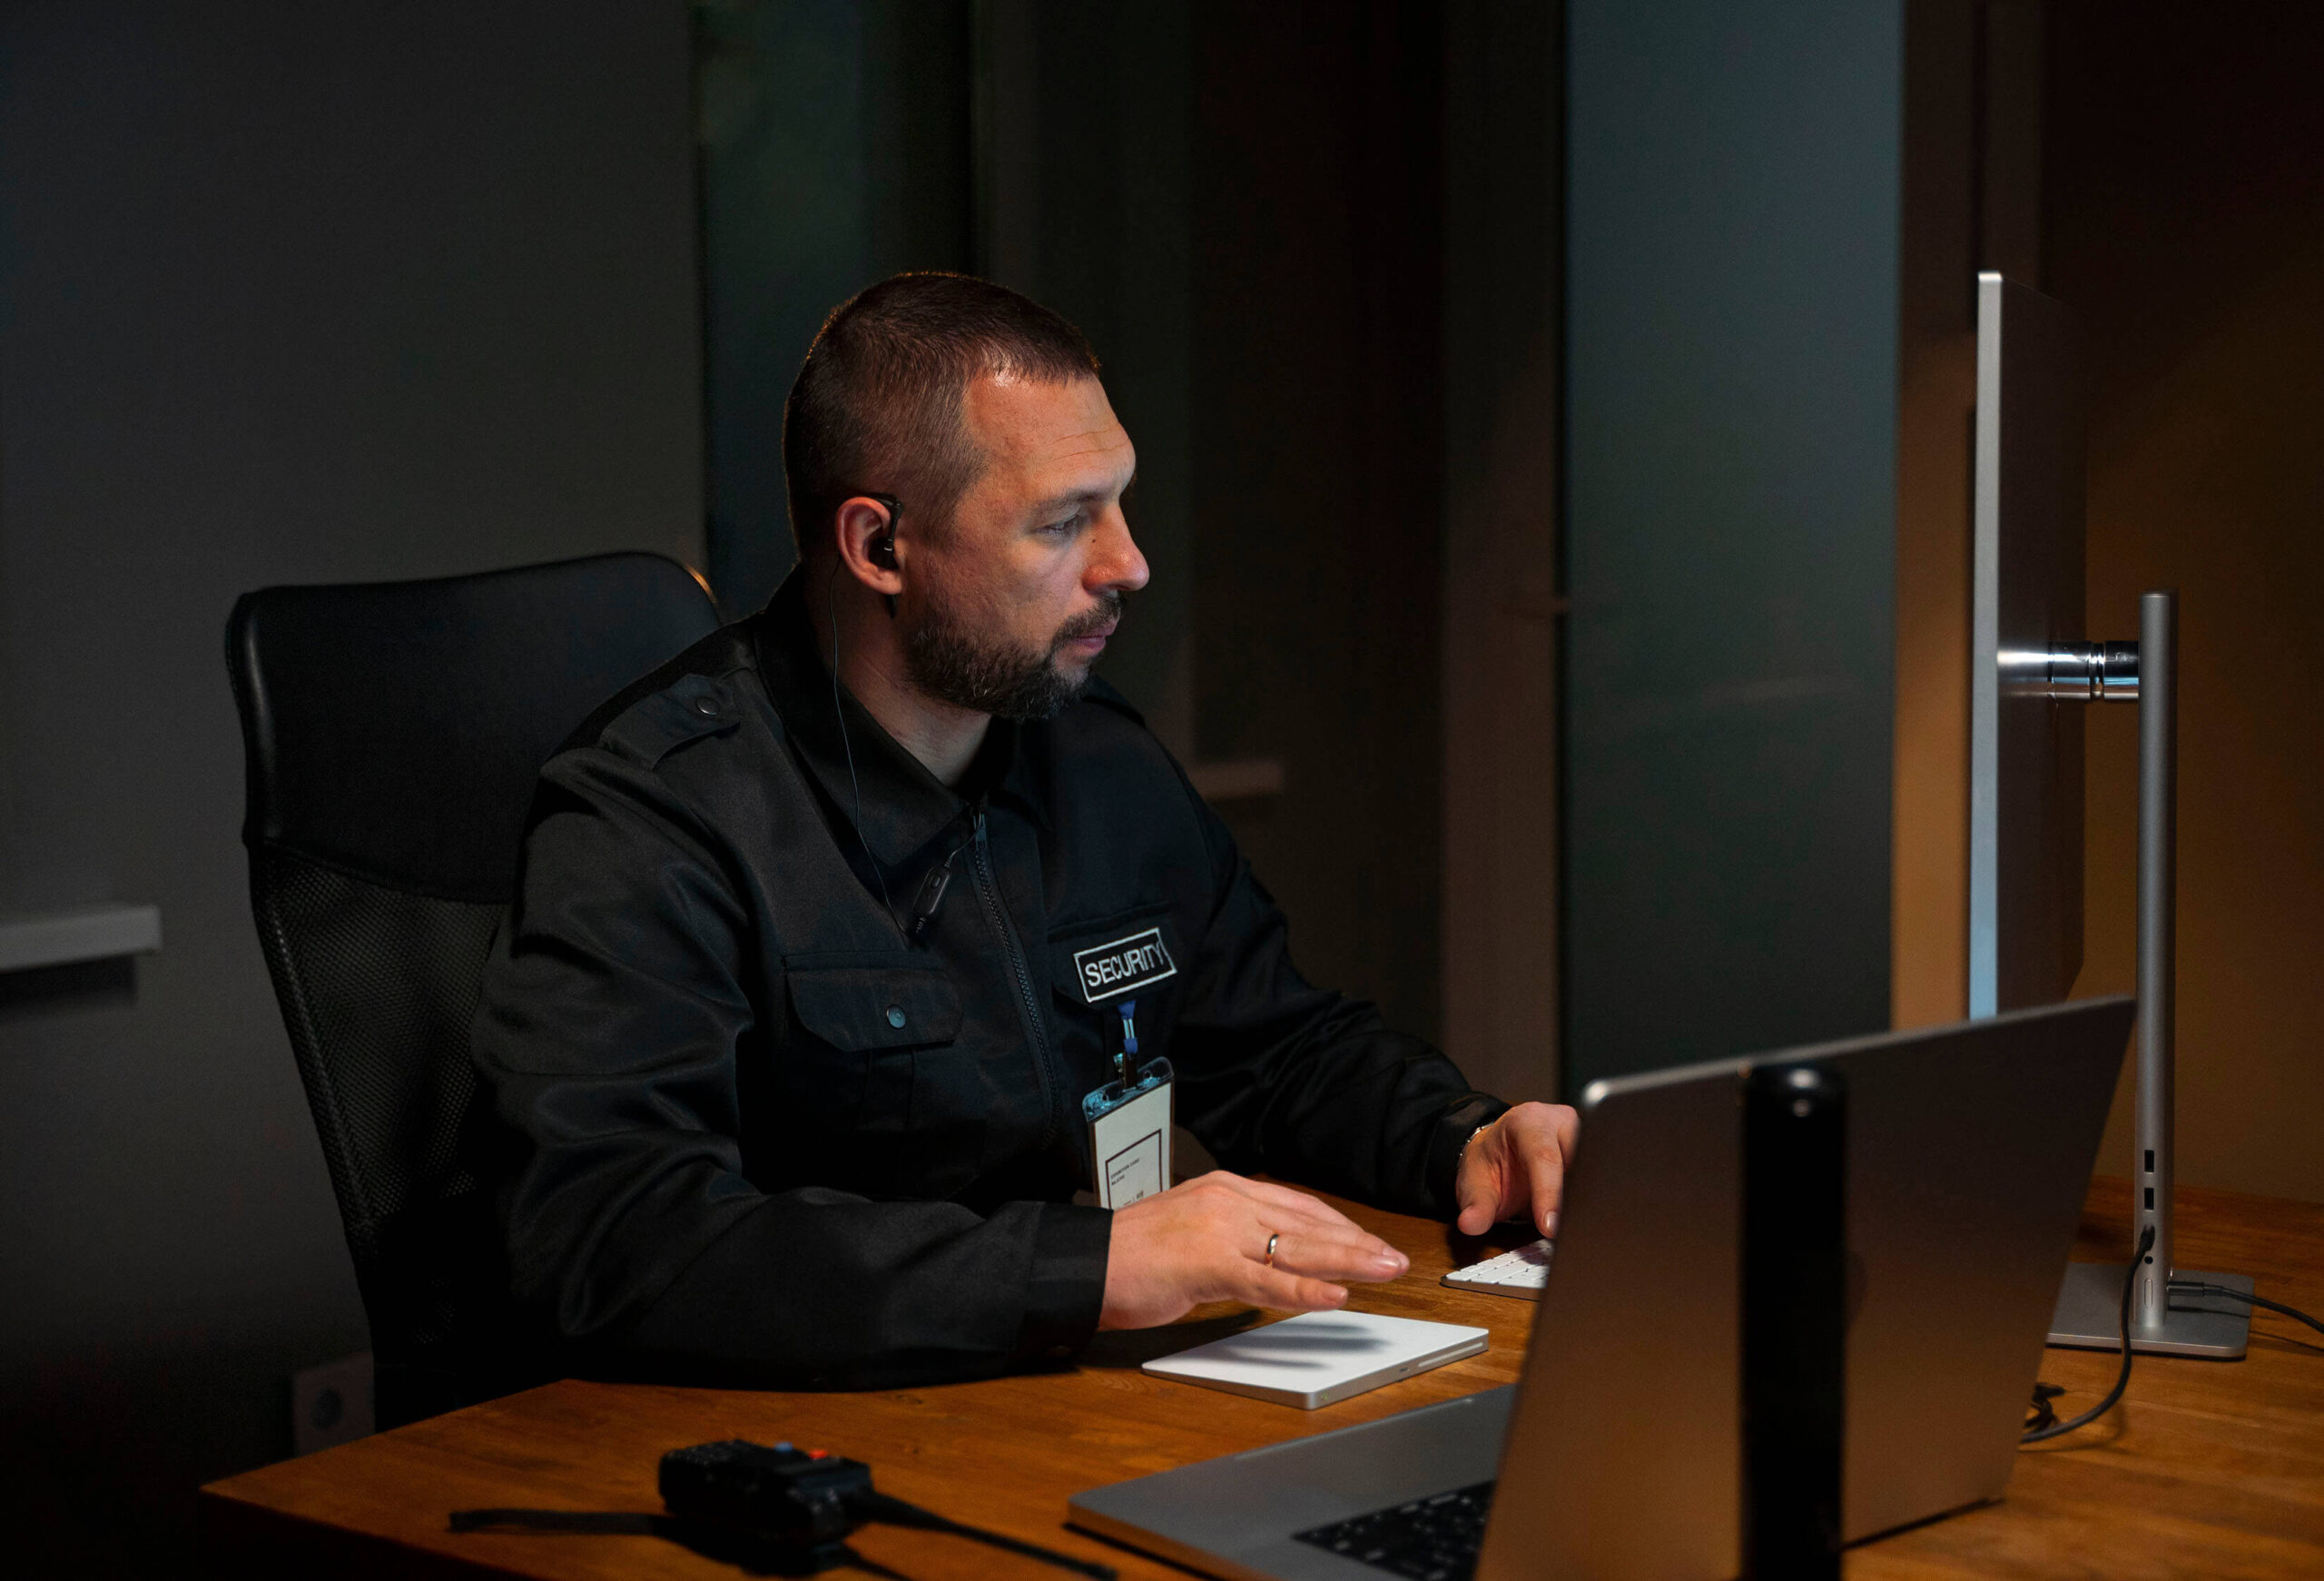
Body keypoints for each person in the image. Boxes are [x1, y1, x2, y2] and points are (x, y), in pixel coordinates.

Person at [468, 272, 1579, 1388]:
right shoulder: (658, 811)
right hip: (778, 1440)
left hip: (1042, 1394)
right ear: (879, 548)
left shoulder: (1094, 755)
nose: (1128, 564)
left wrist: (1463, 1136)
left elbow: (1279, 1053)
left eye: (1120, 501)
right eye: (1062, 522)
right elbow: (615, 1235)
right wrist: (1086, 1268)